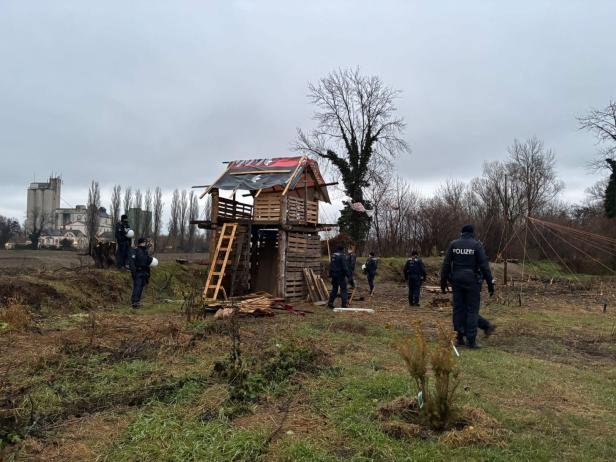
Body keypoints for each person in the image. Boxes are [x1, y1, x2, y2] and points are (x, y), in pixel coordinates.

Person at [440, 224, 496, 349]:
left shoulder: (453, 245)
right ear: (472, 233)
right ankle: (471, 341)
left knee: (458, 309)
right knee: (472, 310)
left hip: (457, 281)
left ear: (462, 233)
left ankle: (460, 337)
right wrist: (490, 283)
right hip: (472, 282)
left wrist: (443, 282)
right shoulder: (477, 245)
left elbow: (446, 264)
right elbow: (484, 266)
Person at [129, 238, 153, 308]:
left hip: (144, 271)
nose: (145, 243)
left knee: (141, 288)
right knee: (137, 287)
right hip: (138, 272)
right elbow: (132, 263)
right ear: (140, 243)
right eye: (144, 242)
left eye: (145, 242)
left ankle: (137, 302)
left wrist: (151, 260)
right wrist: (134, 273)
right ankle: (134, 303)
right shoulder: (135, 250)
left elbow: (148, 261)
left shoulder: (145, 251)